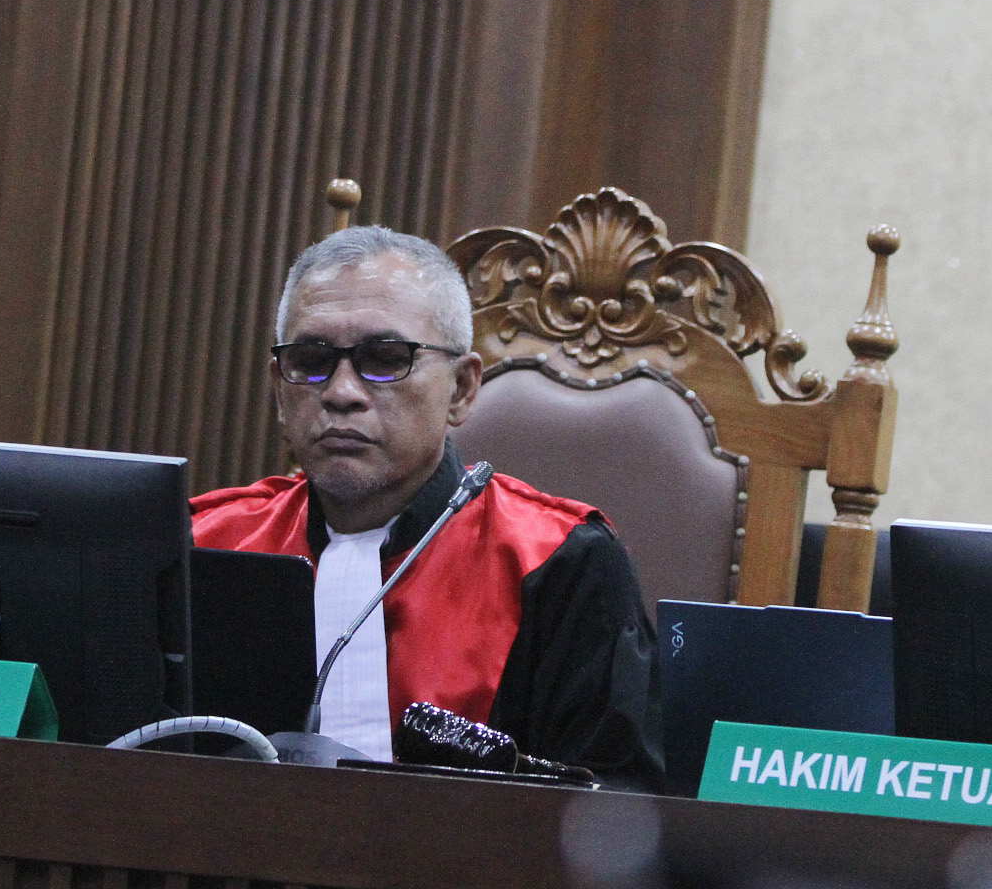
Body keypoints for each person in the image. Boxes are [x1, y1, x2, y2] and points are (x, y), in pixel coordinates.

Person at [190, 226, 663, 788]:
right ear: (279, 388)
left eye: (385, 359)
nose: (341, 392)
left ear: (461, 389)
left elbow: (614, 807)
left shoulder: (562, 561)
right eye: (311, 360)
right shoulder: (203, 542)